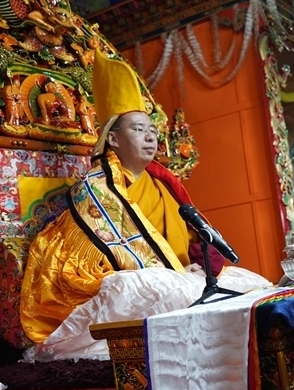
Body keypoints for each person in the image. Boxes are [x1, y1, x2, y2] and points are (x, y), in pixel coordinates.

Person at [20, 50, 224, 343]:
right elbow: (82, 267)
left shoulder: (164, 185)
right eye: (139, 129)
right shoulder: (94, 192)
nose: (151, 137)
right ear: (113, 138)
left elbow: (198, 242)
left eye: (152, 130)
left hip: (185, 279)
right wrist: (172, 273)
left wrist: (199, 267)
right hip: (140, 289)